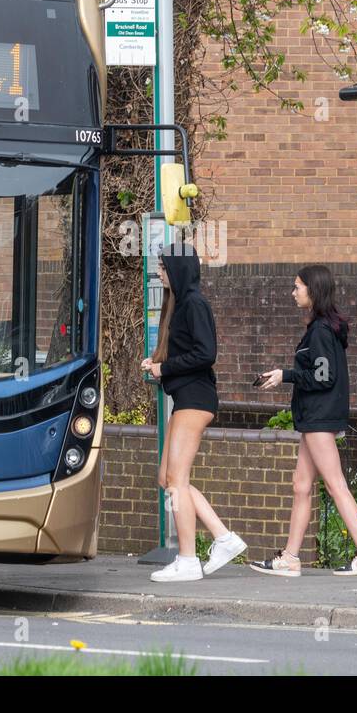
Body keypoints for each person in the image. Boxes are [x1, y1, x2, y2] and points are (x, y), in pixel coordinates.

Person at [252, 264, 357, 577]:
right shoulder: (321, 328)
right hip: (314, 418)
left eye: (298, 286)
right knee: (301, 485)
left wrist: (286, 375)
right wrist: (287, 375)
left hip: (319, 417)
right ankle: (291, 558)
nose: (293, 292)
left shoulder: (321, 331)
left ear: (313, 291)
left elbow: (324, 376)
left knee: (336, 485)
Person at [140, 243, 246, 582]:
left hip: (196, 399)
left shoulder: (195, 304)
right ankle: (224, 538)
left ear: (179, 269)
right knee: (167, 479)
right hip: (185, 398)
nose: (159, 273)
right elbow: (187, 353)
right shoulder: (179, 304)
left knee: (176, 481)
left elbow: (206, 353)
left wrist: (165, 369)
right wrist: (157, 365)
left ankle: (187, 560)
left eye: (164, 267)